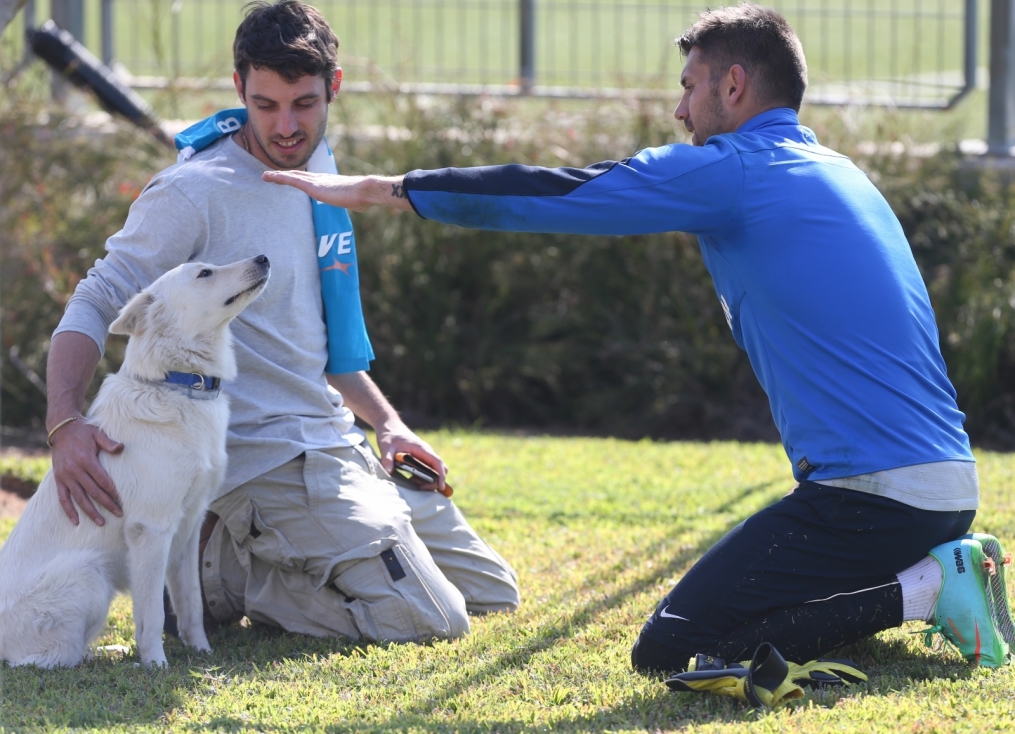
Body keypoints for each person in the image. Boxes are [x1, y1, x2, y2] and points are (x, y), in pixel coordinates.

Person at [263, 2, 1014, 683]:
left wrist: (386, 190)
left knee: (674, 647)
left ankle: (927, 590)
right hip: (938, 490)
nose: (678, 107)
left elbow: (562, 193)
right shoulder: (835, 169)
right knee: (748, 619)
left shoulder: (736, 171)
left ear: (734, 86)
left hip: (871, 500)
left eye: (690, 87)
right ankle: (926, 570)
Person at [45, 0, 519, 644]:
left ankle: (239, 562)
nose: (287, 124)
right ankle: (225, 574)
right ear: (239, 88)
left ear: (334, 88)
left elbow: (311, 345)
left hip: (335, 442)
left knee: (493, 595)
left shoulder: (318, 170)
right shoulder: (192, 190)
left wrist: (388, 424)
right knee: (430, 618)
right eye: (266, 105)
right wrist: (65, 421)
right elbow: (95, 300)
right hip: (262, 462)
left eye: (304, 103)